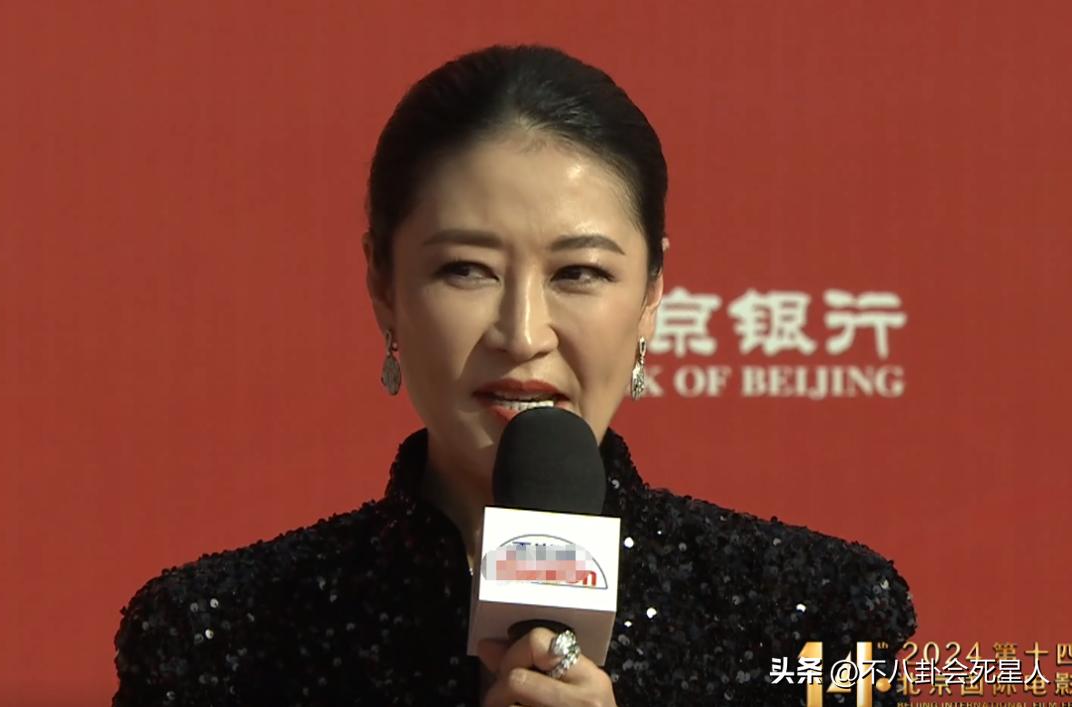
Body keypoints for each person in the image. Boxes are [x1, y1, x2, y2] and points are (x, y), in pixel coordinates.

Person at [112, 44, 917, 707]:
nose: (523, 334)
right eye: (466, 269)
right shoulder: (214, 640)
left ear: (651, 296)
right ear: (384, 286)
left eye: (579, 273)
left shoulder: (819, 623)